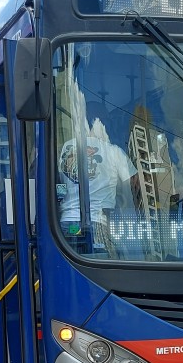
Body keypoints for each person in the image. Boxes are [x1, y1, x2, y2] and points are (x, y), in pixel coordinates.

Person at [58, 101, 136, 257]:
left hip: (66, 225)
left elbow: (60, 184)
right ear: (101, 121)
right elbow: (134, 187)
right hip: (96, 224)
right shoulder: (113, 151)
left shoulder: (67, 147)